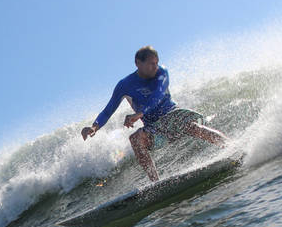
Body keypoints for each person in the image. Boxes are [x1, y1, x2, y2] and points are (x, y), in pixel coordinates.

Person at [81, 46, 230, 181]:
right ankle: (156, 183)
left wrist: (139, 113)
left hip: (172, 114)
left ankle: (230, 147)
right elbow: (108, 110)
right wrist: (94, 127)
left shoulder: (162, 72)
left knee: (193, 127)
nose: (155, 66)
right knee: (135, 139)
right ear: (138, 63)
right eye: (151, 63)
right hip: (154, 128)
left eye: (156, 62)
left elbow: (157, 96)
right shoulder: (125, 85)